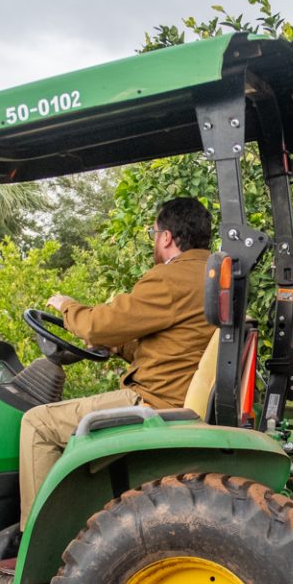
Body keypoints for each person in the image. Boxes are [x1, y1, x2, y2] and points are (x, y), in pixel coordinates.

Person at [19, 197, 216, 517]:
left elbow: (97, 326)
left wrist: (67, 307)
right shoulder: (215, 276)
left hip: (156, 401)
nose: (154, 241)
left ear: (166, 237)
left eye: (153, 234)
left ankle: (38, 538)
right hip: (180, 394)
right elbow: (177, 346)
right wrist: (119, 348)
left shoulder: (170, 279)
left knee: (37, 423)